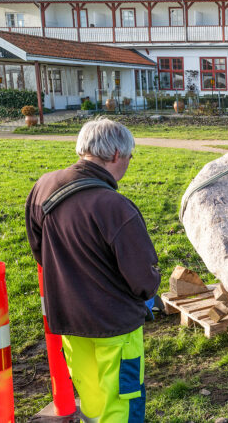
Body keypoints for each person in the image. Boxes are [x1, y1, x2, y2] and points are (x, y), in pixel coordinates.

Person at [25, 117, 161, 421]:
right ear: (116, 155)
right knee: (121, 404)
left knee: (92, 398)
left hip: (69, 320)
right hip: (115, 327)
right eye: (129, 157)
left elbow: (38, 248)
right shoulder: (115, 206)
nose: (128, 163)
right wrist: (151, 288)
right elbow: (142, 277)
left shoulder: (43, 186)